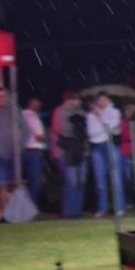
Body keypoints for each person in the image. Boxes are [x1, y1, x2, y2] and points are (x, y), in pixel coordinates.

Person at [84, 92, 126, 216]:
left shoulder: (115, 112)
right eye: (99, 100)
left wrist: (101, 116)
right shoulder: (90, 115)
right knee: (100, 180)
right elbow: (91, 132)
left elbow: (112, 126)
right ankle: (102, 208)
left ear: (108, 100)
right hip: (96, 147)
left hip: (110, 145)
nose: (101, 102)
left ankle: (119, 207)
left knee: (116, 178)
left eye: (104, 99)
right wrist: (104, 126)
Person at [50, 90, 88, 218]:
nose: (78, 102)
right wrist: (75, 125)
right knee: (71, 181)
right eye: (76, 99)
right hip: (66, 151)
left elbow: (84, 132)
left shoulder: (81, 112)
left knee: (80, 181)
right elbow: (60, 130)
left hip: (80, 150)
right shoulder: (60, 111)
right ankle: (68, 212)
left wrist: (80, 126)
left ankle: (77, 211)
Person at [21, 96, 48, 203]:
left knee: (24, 180)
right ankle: (31, 206)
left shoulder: (20, 115)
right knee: (35, 180)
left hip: (23, 150)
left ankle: (24, 206)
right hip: (34, 151)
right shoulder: (32, 117)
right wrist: (48, 136)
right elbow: (39, 136)